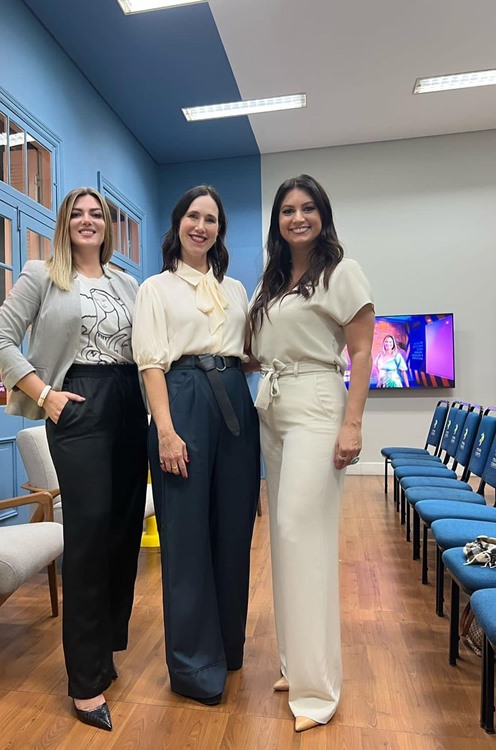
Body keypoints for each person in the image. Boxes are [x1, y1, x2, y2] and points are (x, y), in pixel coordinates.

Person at [0, 186, 148, 732]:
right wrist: (45, 395)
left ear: (107, 226)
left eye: (95, 213)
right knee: (88, 533)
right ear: (63, 224)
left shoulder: (128, 282)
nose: (86, 220)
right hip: (77, 404)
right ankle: (83, 682)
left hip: (130, 405)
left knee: (123, 532)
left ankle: (102, 651)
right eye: (76, 213)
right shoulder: (41, 274)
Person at [248, 175, 374, 733]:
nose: (297, 218)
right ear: (277, 221)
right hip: (272, 408)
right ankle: (294, 664)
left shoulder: (341, 271)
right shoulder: (272, 281)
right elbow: (256, 350)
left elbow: (363, 348)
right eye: (287, 211)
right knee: (283, 537)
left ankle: (318, 691)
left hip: (319, 405)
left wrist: (353, 423)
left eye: (307, 208)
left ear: (322, 214)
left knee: (305, 535)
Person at [132, 185, 260, 706]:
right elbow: (150, 364)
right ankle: (191, 665)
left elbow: (250, 355)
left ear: (219, 229)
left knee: (233, 532)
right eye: (192, 216)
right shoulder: (155, 289)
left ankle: (228, 648)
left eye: (211, 219)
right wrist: (165, 429)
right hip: (180, 401)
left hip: (234, 404)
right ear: (177, 224)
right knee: (185, 541)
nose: (201, 226)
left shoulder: (235, 290)